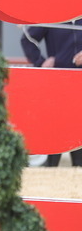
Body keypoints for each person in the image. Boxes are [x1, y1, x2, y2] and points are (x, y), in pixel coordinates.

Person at [21, 19, 82, 167]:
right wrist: (41, 62)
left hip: (80, 80)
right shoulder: (55, 17)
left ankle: (78, 169)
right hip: (58, 80)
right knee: (57, 125)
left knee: (79, 125)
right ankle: (51, 168)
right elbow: (27, 39)